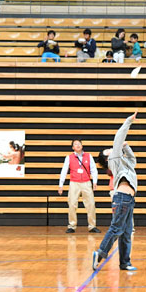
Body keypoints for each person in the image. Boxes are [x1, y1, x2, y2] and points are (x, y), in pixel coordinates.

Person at [92, 111, 138, 271]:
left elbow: (133, 161)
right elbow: (118, 137)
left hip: (129, 199)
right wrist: (128, 121)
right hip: (122, 198)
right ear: (106, 158)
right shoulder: (114, 159)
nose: (111, 149)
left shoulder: (122, 161)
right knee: (117, 229)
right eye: (107, 150)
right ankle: (100, 253)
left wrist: (127, 146)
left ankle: (125, 262)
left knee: (125, 233)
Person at [58, 139, 100, 234]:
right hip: (74, 183)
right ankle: (72, 226)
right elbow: (64, 171)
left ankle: (92, 226)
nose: (77, 145)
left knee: (91, 204)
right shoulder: (69, 157)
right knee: (72, 204)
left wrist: (95, 181)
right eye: (75, 144)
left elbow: (93, 169)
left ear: (82, 145)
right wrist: (61, 185)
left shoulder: (88, 156)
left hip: (86, 182)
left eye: (79, 143)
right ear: (73, 147)